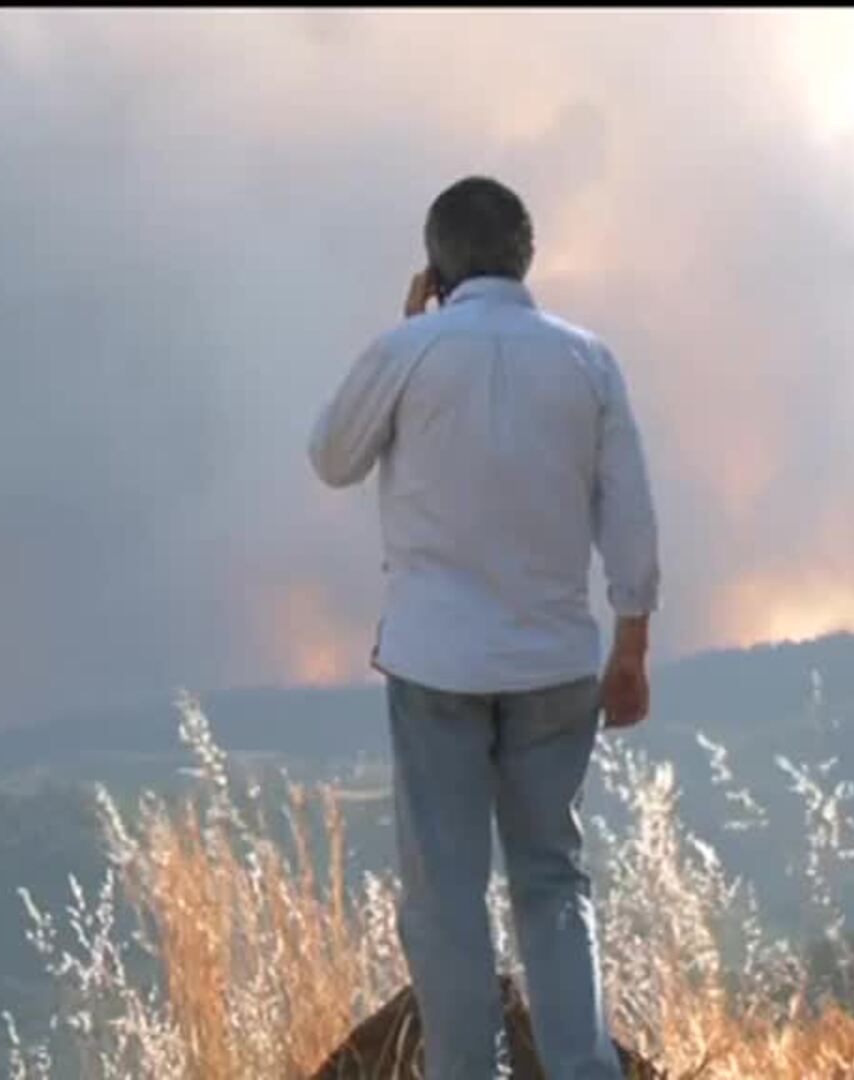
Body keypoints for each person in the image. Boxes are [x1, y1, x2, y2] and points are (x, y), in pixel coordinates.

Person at [308, 176, 660, 1078]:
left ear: (436, 269)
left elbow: (332, 457)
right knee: (553, 879)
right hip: (555, 664)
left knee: (445, 895)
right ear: (526, 257)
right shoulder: (588, 360)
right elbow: (629, 514)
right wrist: (631, 647)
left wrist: (403, 331)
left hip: (436, 667)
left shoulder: (411, 349)